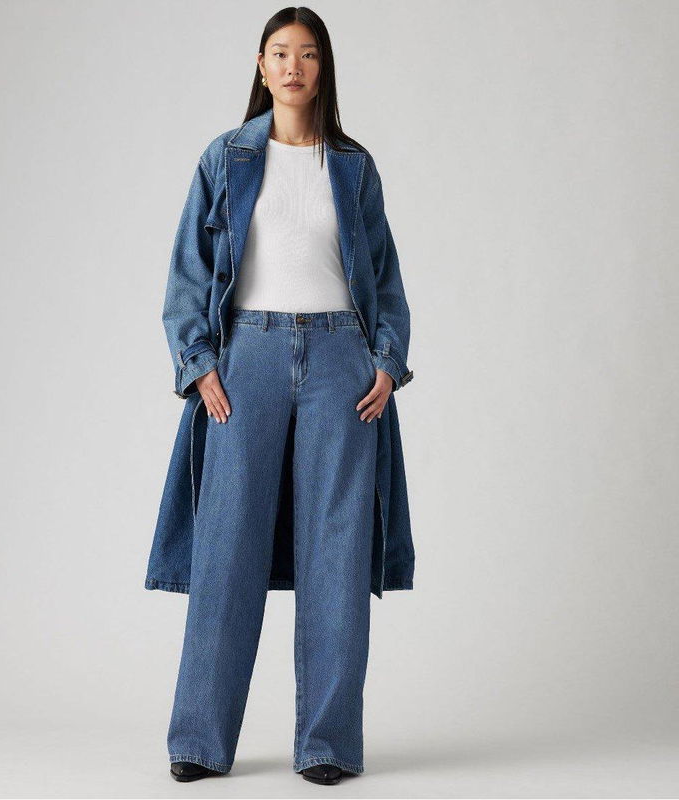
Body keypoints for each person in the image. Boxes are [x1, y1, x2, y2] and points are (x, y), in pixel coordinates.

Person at [145, 7, 415, 786]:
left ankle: (327, 744)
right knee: (225, 548)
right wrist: (199, 364)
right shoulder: (225, 157)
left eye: (307, 54)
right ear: (260, 67)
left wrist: (386, 363)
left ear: (323, 68)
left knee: (338, 552)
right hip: (248, 359)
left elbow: (385, 278)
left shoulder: (353, 168)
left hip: (340, 362)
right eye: (279, 53)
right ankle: (199, 741)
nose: (293, 67)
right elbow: (189, 271)